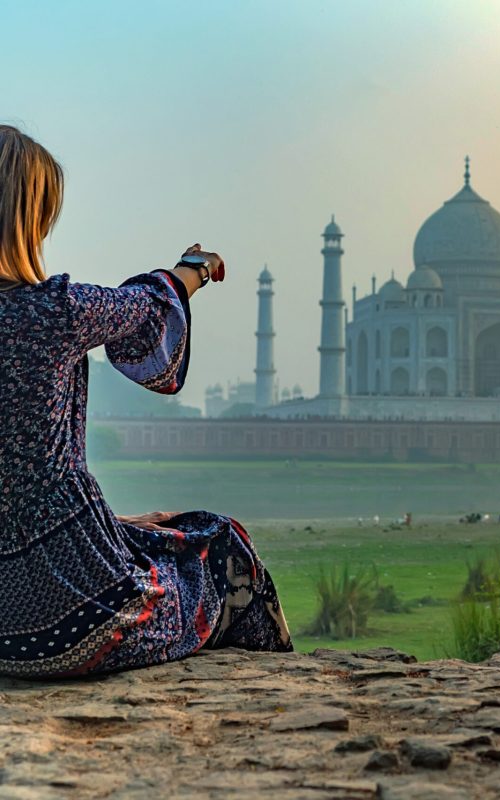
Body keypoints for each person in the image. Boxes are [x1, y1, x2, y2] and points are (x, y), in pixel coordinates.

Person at [0, 125, 291, 678]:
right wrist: (196, 267)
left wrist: (115, 522)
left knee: (156, 532)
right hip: (82, 619)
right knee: (220, 546)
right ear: (30, 218)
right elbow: (150, 304)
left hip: (5, 631)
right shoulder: (55, 311)